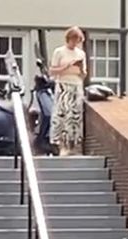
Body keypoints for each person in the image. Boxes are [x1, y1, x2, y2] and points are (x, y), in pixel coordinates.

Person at [49, 26, 88, 156]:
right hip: (63, 84)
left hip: (76, 84)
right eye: (74, 39)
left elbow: (83, 75)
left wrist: (81, 68)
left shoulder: (81, 54)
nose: (75, 43)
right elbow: (52, 71)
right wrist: (67, 66)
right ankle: (59, 144)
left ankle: (72, 144)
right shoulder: (59, 52)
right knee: (62, 114)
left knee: (74, 116)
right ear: (69, 38)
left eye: (78, 40)